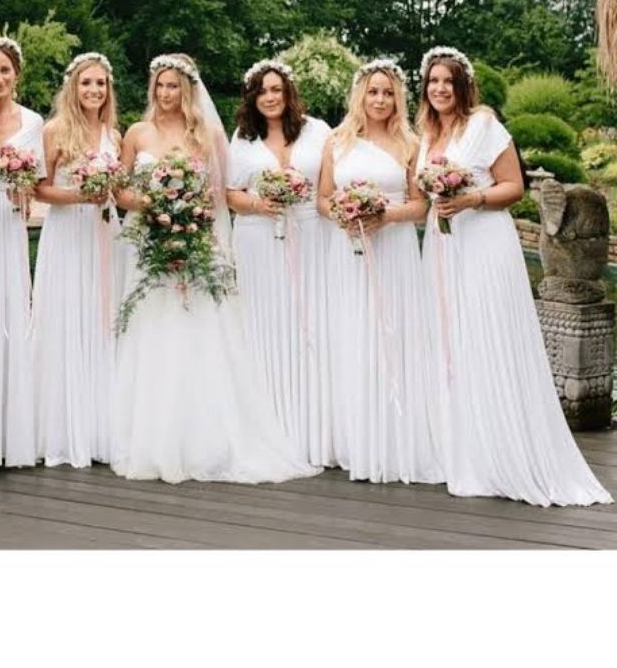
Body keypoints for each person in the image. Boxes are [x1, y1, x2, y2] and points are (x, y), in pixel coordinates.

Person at [111, 53, 320, 484]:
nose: (165, 93)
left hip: (195, 242)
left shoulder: (207, 133)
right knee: (152, 331)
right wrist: (154, 204)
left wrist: (188, 226)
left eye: (173, 85)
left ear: (187, 89)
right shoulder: (136, 133)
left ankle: (202, 439)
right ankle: (150, 437)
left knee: (196, 333)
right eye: (160, 85)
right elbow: (121, 192)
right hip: (148, 241)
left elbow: (219, 195)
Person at [417, 45, 612, 506]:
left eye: (448, 81)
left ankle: (499, 447)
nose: (440, 89)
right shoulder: (426, 134)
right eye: (433, 81)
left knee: (487, 336)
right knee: (451, 339)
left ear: (462, 86)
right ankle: (459, 446)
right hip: (443, 245)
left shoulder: (484, 124)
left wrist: (470, 199)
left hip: (483, 242)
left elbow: (514, 187)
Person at [317, 58, 444, 484]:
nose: (380, 99)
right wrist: (343, 214)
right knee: (353, 333)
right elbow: (322, 198)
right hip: (347, 251)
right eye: (373, 91)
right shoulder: (337, 142)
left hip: (395, 252)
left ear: (398, 98)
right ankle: (354, 439)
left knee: (393, 333)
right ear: (360, 95)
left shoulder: (411, 144)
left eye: (388, 93)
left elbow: (420, 206)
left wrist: (384, 215)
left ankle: (396, 439)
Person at [226, 60, 333, 465]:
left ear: (288, 92)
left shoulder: (317, 131)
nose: (269, 97)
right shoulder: (243, 138)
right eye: (261, 91)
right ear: (251, 98)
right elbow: (230, 194)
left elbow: (330, 186)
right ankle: (269, 422)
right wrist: (259, 203)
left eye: (276, 89)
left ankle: (313, 428)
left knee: (311, 322)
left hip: (311, 235)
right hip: (258, 239)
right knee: (265, 325)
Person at [32, 52, 122, 468]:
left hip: (104, 233)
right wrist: (80, 195)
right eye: (87, 82)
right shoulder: (54, 131)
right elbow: (40, 189)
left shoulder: (113, 135)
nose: (94, 90)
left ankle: (102, 428)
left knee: (102, 320)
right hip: (67, 233)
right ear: (73, 86)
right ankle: (62, 430)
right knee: (67, 318)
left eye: (100, 83)